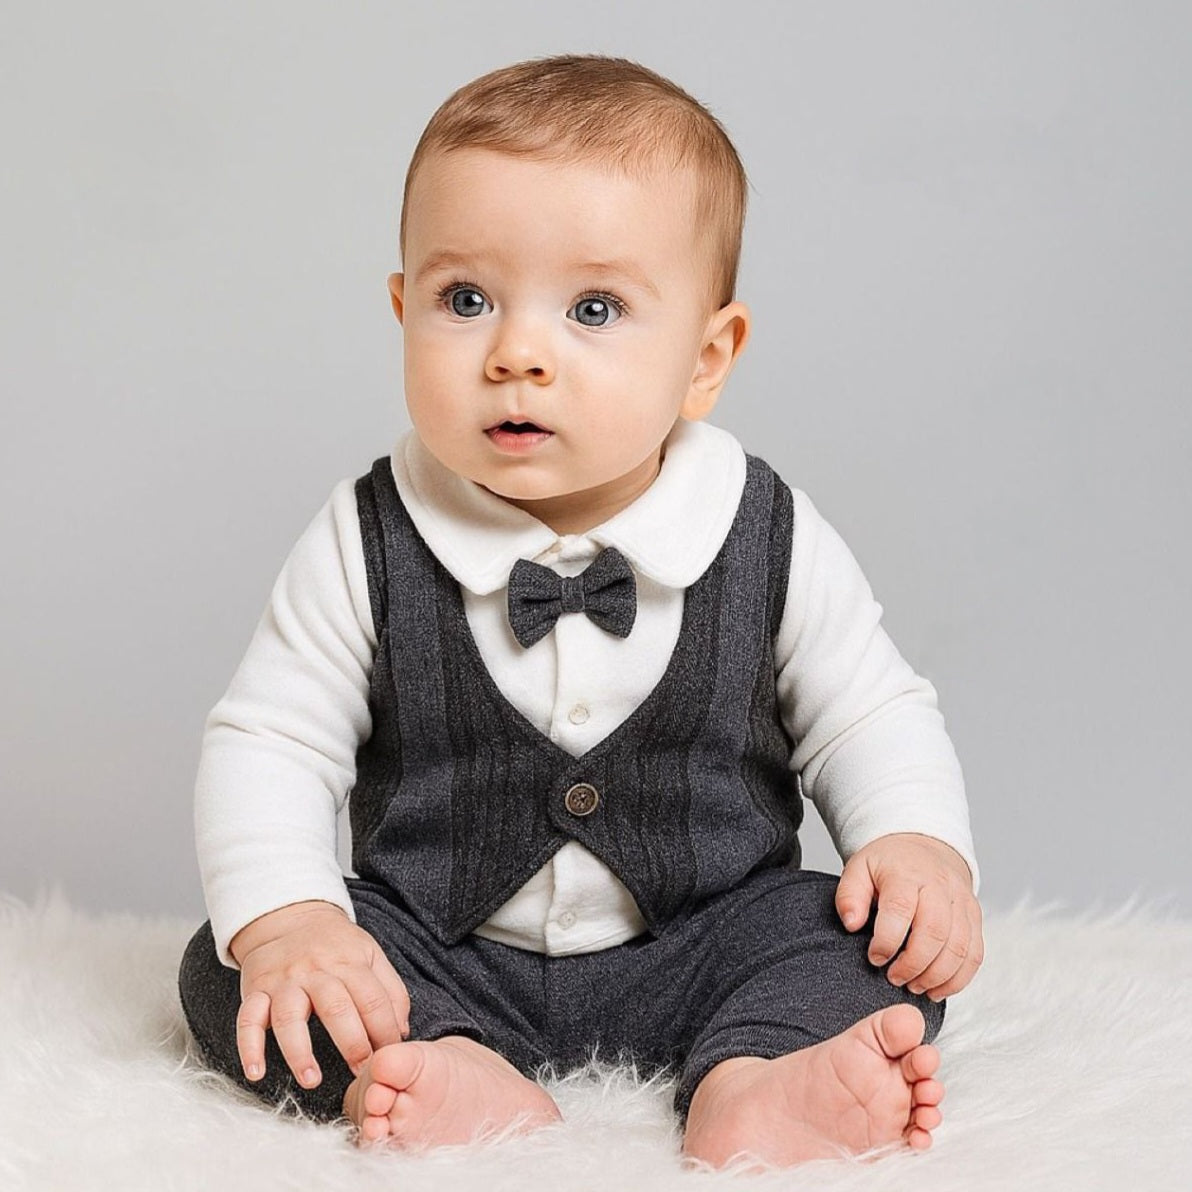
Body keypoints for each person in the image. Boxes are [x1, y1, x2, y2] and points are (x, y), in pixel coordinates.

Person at [178, 53, 983, 1169]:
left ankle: (751, 1077)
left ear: (706, 360)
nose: (517, 353)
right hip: (446, 946)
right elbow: (271, 737)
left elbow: (870, 711)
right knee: (230, 964)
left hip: (705, 939)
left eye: (593, 309)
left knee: (863, 941)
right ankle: (447, 1064)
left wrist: (917, 844)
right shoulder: (363, 535)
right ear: (402, 308)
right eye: (466, 300)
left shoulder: (766, 529)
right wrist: (294, 925)